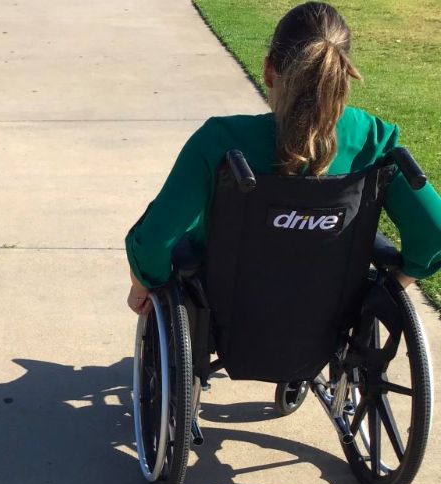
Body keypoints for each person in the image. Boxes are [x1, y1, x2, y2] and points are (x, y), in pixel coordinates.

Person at [125, 1, 441, 316]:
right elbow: (434, 232)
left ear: (268, 70)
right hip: (331, 320)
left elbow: (153, 243)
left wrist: (143, 284)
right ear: (342, 77)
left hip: (226, 315)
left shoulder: (220, 142)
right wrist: (395, 286)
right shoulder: (372, 141)